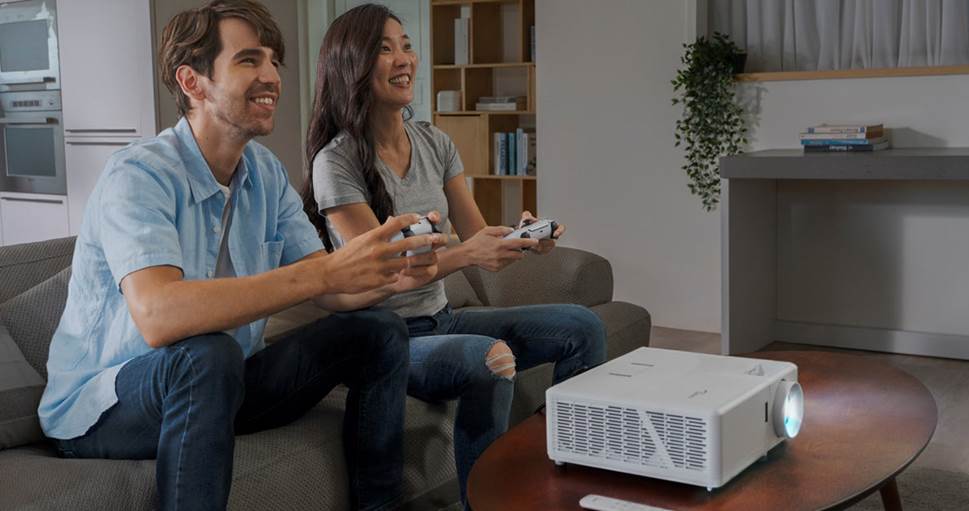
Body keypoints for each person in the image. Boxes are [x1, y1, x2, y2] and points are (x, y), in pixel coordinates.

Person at [37, 2, 445, 510]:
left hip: (222, 381)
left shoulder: (264, 173)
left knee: (378, 331)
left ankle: (378, 505)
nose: (272, 76)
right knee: (206, 354)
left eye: (274, 61)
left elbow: (333, 286)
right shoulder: (138, 174)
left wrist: (394, 273)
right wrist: (321, 274)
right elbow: (160, 317)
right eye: (249, 60)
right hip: (106, 405)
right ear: (193, 82)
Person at [301, 4, 607, 506]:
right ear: (350, 65)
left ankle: (570, 479)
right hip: (387, 340)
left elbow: (479, 236)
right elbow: (382, 272)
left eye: (406, 45)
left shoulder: (435, 142)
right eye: (384, 49)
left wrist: (523, 239)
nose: (404, 59)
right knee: (492, 360)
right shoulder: (335, 162)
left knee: (582, 327)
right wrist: (468, 254)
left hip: (442, 319)